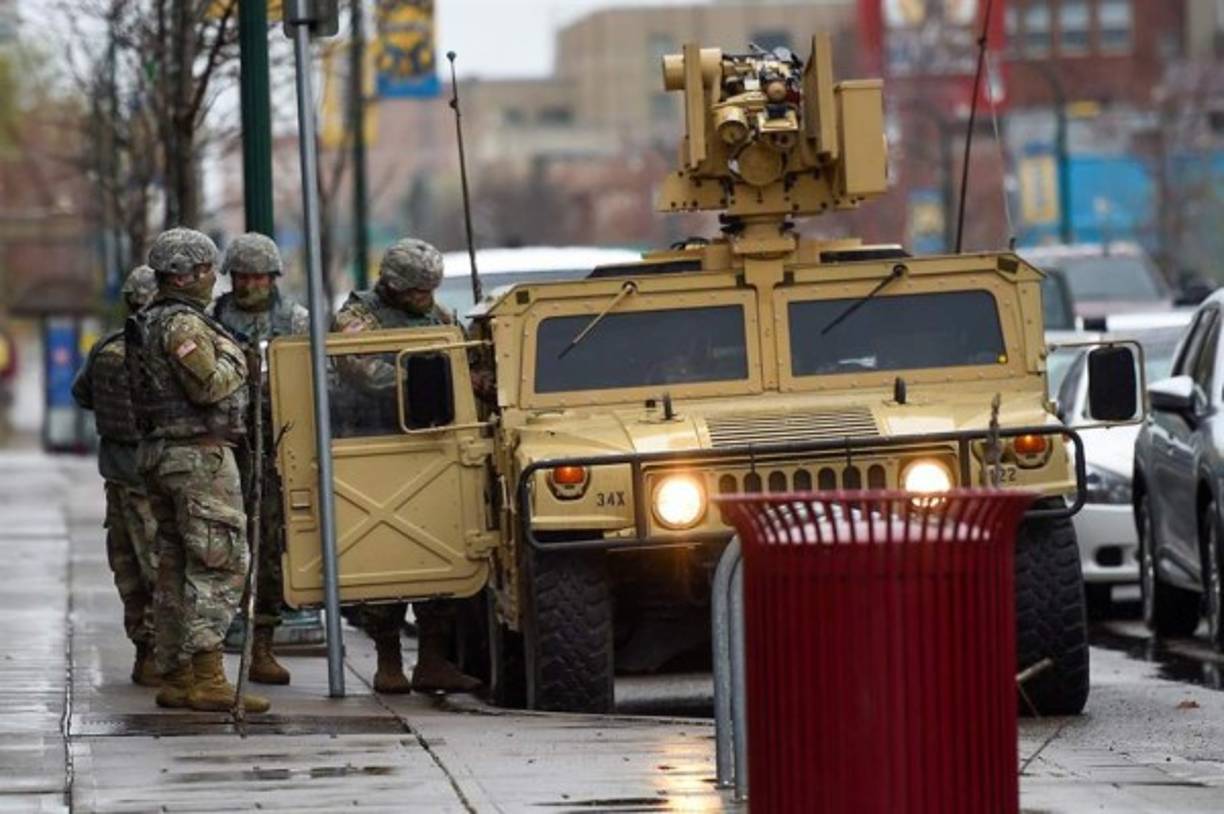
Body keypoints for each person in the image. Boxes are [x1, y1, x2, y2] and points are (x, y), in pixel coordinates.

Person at [125, 227, 268, 714]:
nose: (213, 279)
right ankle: (207, 678)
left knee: (175, 566)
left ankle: (177, 674)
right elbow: (209, 386)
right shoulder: (184, 326)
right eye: (208, 270)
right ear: (190, 275)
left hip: (162, 456)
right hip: (195, 458)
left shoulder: (149, 321)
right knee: (219, 561)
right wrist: (239, 358)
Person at [332, 237, 482, 695]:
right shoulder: (358, 317)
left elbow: (465, 363)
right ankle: (389, 660)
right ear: (393, 285)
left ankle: (433, 661)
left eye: (430, 290)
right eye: (417, 291)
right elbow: (362, 369)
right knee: (385, 562)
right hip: (375, 447)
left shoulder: (439, 317)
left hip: (433, 447)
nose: (425, 299)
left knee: (440, 556)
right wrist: (424, 382)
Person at [211, 233, 309, 686]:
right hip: (224, 448)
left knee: (269, 547)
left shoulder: (295, 321)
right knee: (216, 549)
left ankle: (263, 645)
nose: (252, 285)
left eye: (261, 277)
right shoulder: (210, 322)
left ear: (274, 278)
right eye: (244, 276)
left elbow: (319, 379)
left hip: (278, 449)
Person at [72, 266, 160, 686]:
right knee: (161, 568)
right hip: (153, 476)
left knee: (128, 569)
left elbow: (82, 394)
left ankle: (145, 653)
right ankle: (167, 656)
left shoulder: (106, 348)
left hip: (117, 475)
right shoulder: (166, 348)